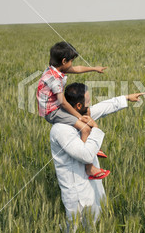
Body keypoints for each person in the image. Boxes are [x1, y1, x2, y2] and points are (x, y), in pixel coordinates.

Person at [49, 82, 143, 233]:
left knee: (96, 227)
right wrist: (96, 130)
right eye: (88, 100)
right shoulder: (61, 129)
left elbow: (103, 107)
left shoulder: (80, 116)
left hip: (91, 184)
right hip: (76, 190)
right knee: (76, 231)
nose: (91, 103)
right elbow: (85, 155)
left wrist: (126, 98)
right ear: (78, 105)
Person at [37, 41, 109, 179]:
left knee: (86, 113)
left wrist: (94, 68)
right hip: (52, 112)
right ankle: (89, 167)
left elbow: (77, 69)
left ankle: (91, 148)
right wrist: (78, 116)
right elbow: (63, 102)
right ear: (64, 61)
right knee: (85, 128)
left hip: (55, 107)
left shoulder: (55, 69)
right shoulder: (54, 80)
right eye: (71, 61)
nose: (72, 64)